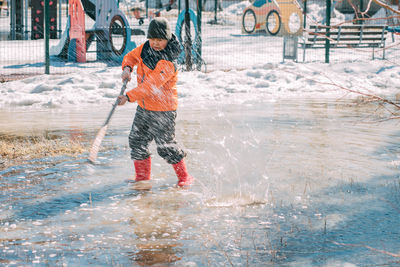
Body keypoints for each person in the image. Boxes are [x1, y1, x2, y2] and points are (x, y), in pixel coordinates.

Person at [118, 17, 194, 187]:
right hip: (144, 108)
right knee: (137, 141)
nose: (156, 43)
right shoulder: (145, 48)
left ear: (167, 39)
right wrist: (127, 68)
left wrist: (128, 97)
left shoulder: (168, 62)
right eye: (153, 39)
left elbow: (150, 86)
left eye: (160, 40)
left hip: (163, 110)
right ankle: (142, 177)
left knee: (165, 147)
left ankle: (184, 177)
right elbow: (131, 56)